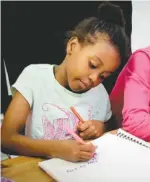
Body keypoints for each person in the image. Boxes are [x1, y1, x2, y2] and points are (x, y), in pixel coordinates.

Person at [1, 2, 129, 162]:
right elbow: (6, 139)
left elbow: (109, 127)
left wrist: (100, 127)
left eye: (103, 76)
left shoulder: (100, 94)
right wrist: (57, 149)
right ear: (72, 46)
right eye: (93, 65)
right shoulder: (34, 77)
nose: (94, 79)